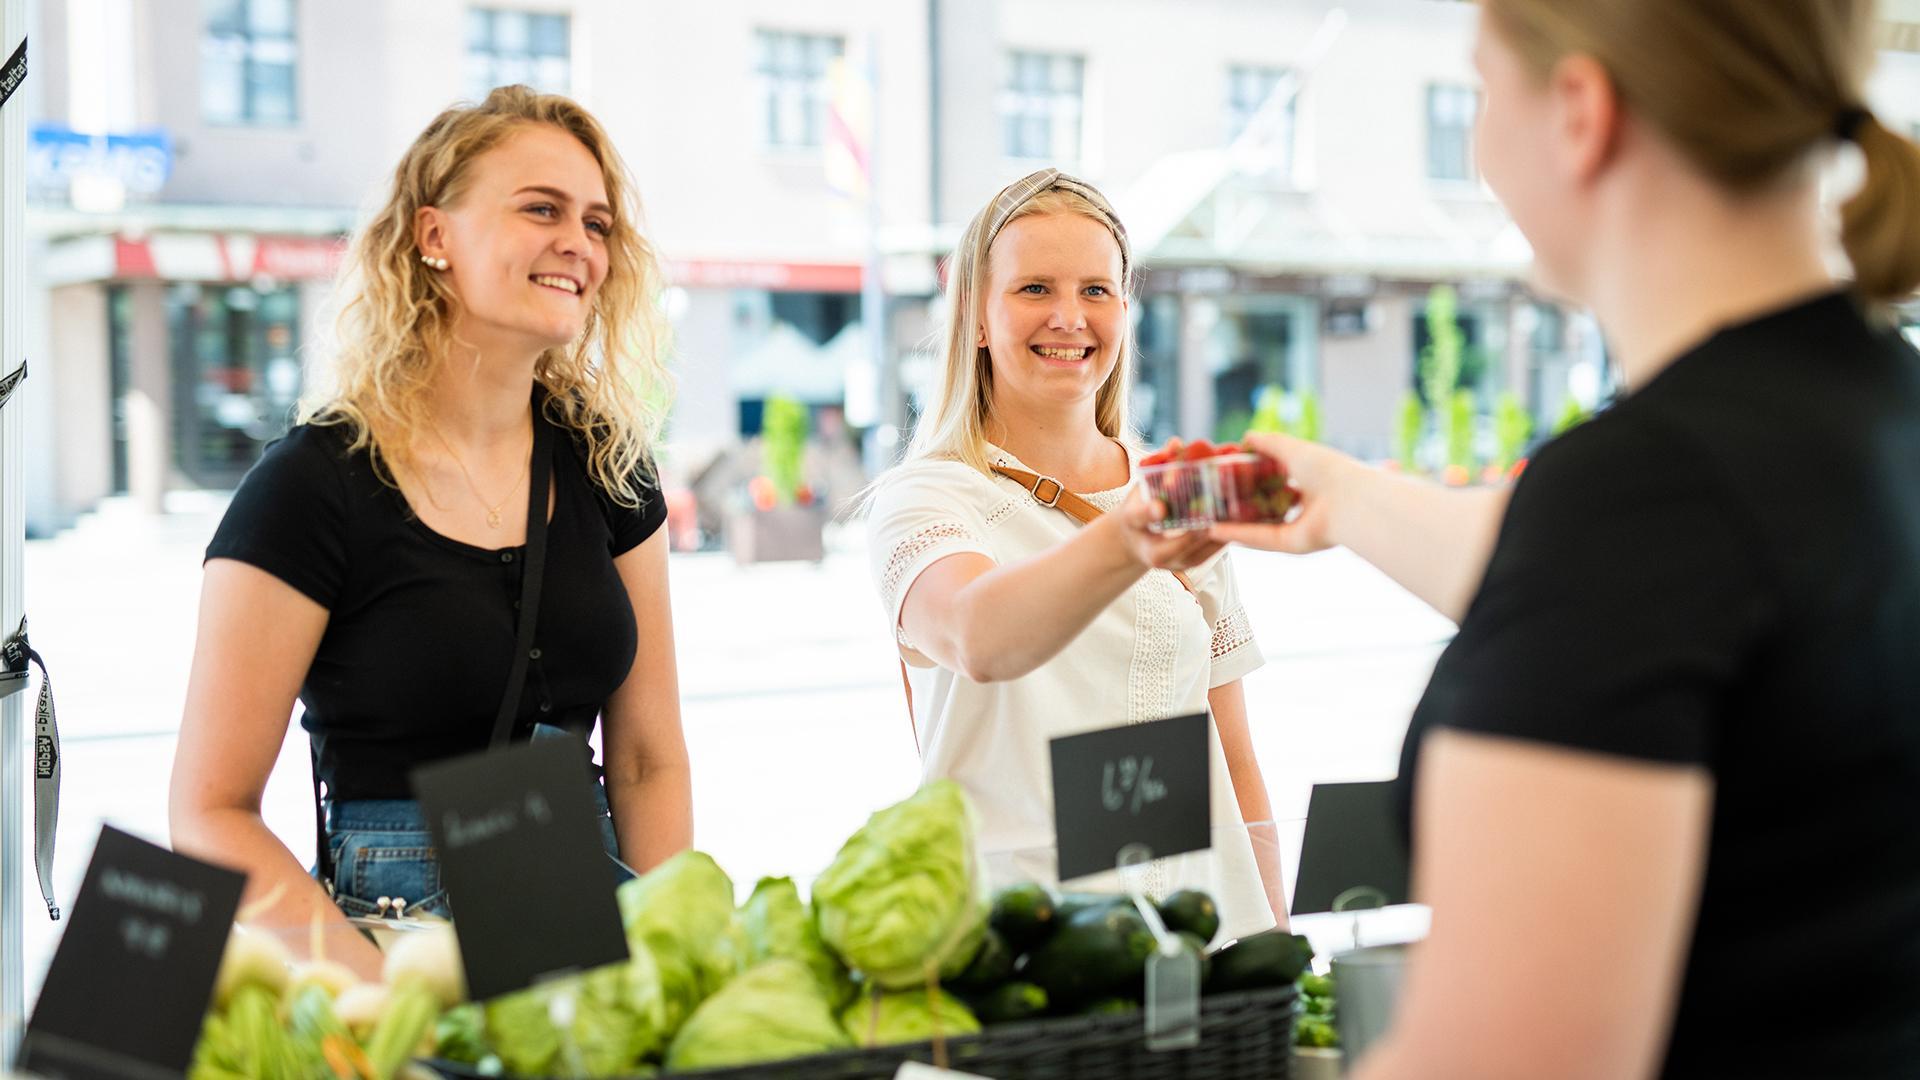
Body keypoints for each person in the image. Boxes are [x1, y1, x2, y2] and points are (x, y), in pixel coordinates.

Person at [1212, 2, 1920, 1076]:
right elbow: (1668, 611)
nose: (1481, 143)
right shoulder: (1878, 418)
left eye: (1485, 90)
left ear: (1580, 114)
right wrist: (1346, 499)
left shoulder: (1647, 496)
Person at [170, 86, 692, 977]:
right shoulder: (310, 485)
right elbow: (210, 812)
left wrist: (675, 965)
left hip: (586, 931)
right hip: (389, 941)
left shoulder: (610, 467)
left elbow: (646, 761)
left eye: (598, 223)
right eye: (541, 208)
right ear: (433, 236)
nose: (580, 242)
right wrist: (379, 999)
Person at [865, 170, 1286, 941]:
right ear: (978, 317)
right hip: (1023, 949)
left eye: (1097, 289)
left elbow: (1234, 754)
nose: (1069, 317)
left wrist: (1277, 944)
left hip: (1199, 938)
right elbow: (976, 637)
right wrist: (1134, 536)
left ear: (1125, 310)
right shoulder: (924, 501)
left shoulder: (1174, 487)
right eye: (1034, 288)